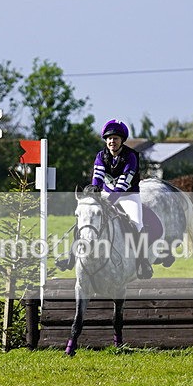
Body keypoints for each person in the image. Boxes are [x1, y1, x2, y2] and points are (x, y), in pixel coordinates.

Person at [57, 119, 153, 279]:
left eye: (115, 138)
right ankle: (71, 257)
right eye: (109, 138)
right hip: (107, 193)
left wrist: (108, 201)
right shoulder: (101, 156)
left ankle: (143, 261)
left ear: (122, 140)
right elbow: (97, 177)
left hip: (129, 195)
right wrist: (94, 193)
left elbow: (123, 183)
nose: (111, 141)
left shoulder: (131, 156)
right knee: (85, 219)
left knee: (137, 224)